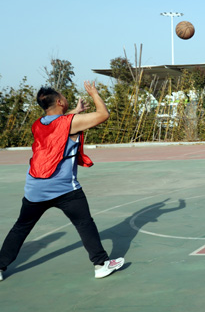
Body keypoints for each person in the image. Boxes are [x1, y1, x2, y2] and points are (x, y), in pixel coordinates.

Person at [0, 82, 125, 282]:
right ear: (59, 102)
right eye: (63, 97)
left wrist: (75, 111)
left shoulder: (38, 124)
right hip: (64, 188)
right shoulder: (70, 123)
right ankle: (101, 264)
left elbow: (57, 124)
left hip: (35, 187)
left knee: (21, 227)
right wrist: (94, 93)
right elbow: (103, 114)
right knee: (84, 223)